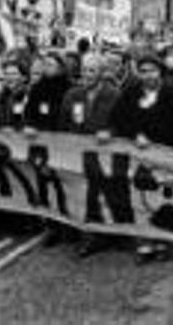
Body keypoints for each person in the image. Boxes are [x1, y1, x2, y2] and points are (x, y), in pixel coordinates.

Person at [110, 53, 173, 263]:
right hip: (138, 155)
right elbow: (117, 118)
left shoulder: (172, 95)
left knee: (161, 199)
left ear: (160, 72)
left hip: (164, 155)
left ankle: (162, 242)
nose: (148, 75)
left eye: (152, 70)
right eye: (144, 71)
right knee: (140, 199)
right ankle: (144, 243)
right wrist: (134, 134)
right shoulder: (130, 93)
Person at [58, 53, 121, 257]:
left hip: (104, 155)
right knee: (79, 193)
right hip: (77, 154)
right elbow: (63, 124)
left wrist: (110, 132)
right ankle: (83, 230)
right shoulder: (72, 94)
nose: (87, 74)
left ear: (102, 73)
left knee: (98, 194)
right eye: (84, 70)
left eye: (92, 70)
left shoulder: (114, 94)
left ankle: (98, 235)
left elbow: (124, 123)